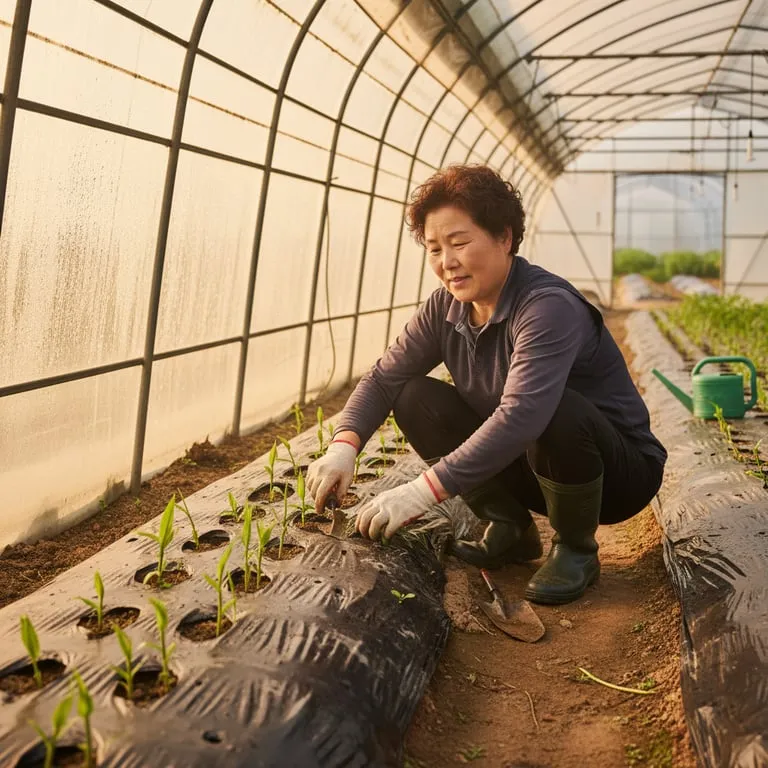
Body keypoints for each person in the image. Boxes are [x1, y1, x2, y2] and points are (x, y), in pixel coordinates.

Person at [306, 165, 666, 605]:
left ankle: (576, 548)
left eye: (459, 242)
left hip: (616, 475)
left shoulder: (545, 306)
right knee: (415, 396)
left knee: (553, 408)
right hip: (531, 465)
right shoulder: (445, 307)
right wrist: (343, 446)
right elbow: (385, 377)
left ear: (506, 238)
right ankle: (510, 528)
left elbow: (522, 415)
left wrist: (422, 491)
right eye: (435, 248)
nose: (447, 262)